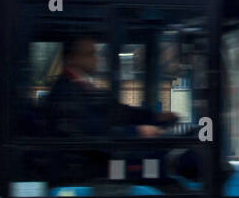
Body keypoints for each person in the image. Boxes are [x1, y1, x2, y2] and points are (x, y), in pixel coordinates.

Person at [44, 36, 178, 140]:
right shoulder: (66, 91)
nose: (95, 59)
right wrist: (136, 131)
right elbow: (89, 129)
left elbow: (115, 112)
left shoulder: (82, 87)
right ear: (72, 59)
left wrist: (154, 117)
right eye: (89, 54)